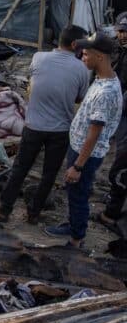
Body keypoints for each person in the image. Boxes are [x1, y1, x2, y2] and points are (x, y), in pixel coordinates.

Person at [0, 26, 90, 223]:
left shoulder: (38, 57)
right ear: (74, 45)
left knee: (20, 168)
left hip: (33, 126)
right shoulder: (82, 69)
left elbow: (33, 81)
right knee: (49, 174)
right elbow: (79, 97)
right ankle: (34, 214)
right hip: (61, 130)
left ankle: (4, 209)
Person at [43, 33, 124, 246]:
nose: (82, 58)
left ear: (99, 56)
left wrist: (78, 166)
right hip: (80, 148)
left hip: (85, 155)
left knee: (78, 194)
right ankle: (73, 225)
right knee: (75, 192)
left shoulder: (106, 92)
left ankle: (76, 238)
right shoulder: (102, 79)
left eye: (86, 54)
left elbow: (94, 133)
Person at [97, 15, 127, 230]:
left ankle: (112, 212)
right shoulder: (119, 48)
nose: (122, 35)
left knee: (121, 163)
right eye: (120, 31)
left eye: (125, 31)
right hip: (119, 109)